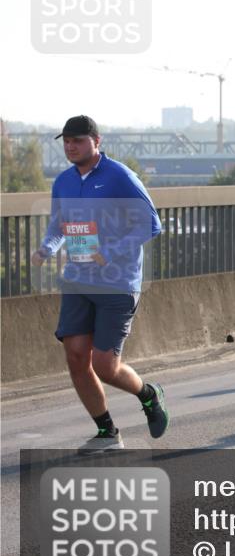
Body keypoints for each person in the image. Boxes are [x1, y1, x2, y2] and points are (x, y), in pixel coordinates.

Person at [30, 115, 167, 453]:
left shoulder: (120, 177)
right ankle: (107, 431)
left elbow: (152, 225)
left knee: (106, 366)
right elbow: (59, 225)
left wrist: (111, 250)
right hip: (78, 280)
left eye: (77, 140)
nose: (70, 146)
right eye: (66, 141)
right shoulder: (63, 181)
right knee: (76, 357)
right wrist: (47, 248)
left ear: (96, 141)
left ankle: (148, 395)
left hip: (117, 283)